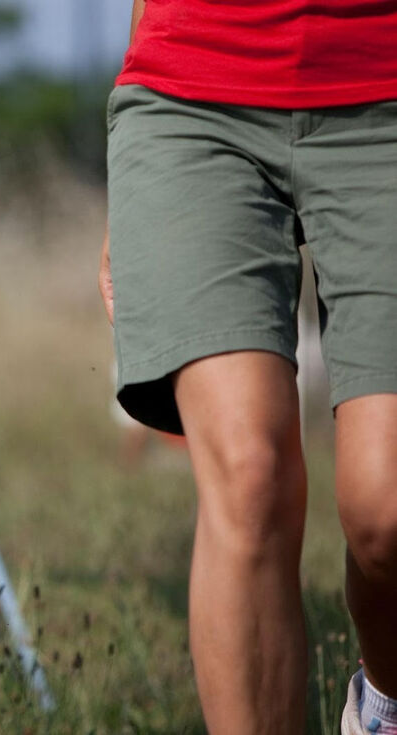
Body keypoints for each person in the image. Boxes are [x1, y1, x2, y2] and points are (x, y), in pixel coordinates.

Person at [99, 1, 397, 733]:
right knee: (249, 476)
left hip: (381, 84)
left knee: (386, 511)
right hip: (190, 95)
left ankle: (384, 708)